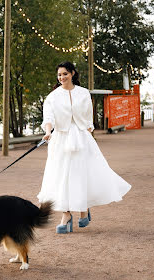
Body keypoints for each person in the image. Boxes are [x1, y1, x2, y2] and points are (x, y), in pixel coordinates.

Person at [37, 62, 131, 234]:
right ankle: (66, 215)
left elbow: (88, 117)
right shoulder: (53, 96)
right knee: (61, 176)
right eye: (59, 75)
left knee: (81, 173)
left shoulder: (83, 93)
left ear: (72, 73)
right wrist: (48, 132)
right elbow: (48, 116)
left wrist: (87, 130)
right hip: (61, 139)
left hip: (81, 137)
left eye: (65, 74)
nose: (62, 77)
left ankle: (84, 208)